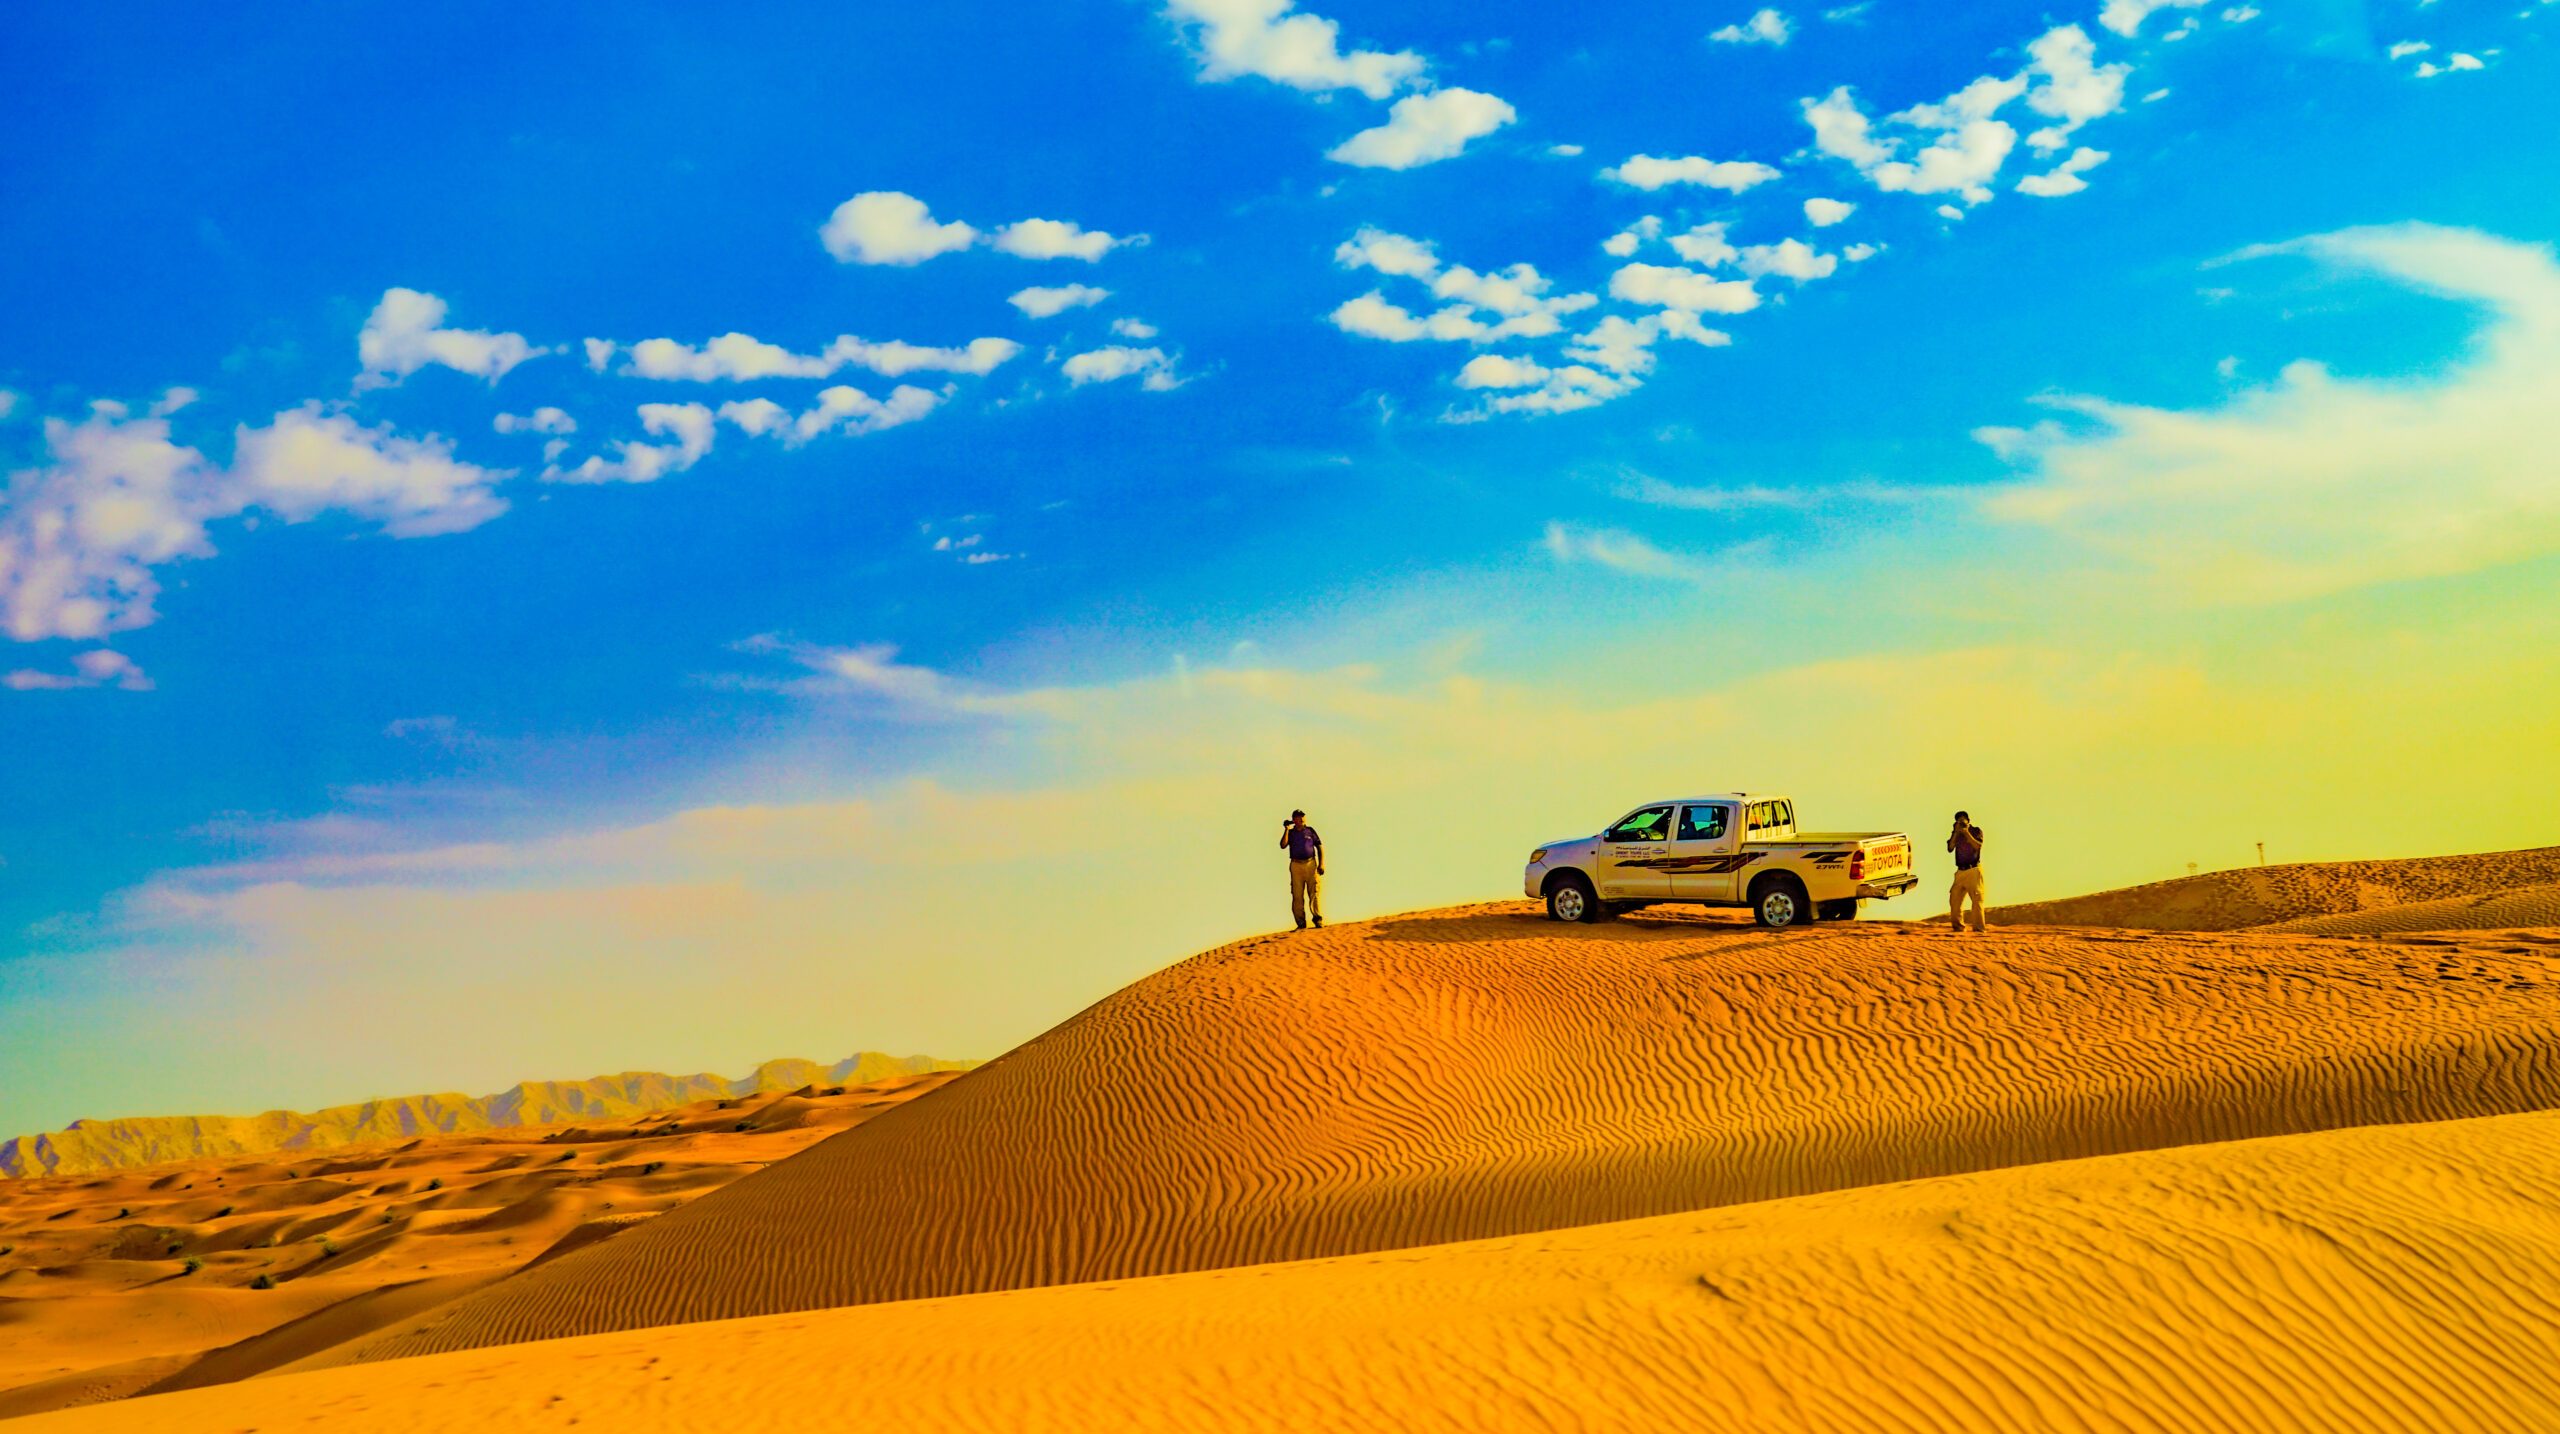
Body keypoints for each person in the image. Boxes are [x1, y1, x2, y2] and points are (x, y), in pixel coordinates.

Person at [1280, 810, 1324, 930]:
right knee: (1297, 895)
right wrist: (1287, 829)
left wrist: (1321, 864)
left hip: (1311, 863)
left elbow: (1319, 846)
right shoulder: (1292, 833)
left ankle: (1318, 919)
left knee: (1314, 892)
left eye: (1303, 818)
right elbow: (1283, 845)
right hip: (1296, 865)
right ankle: (1300, 923)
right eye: (1299, 818)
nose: (1302, 820)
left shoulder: (1310, 831)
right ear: (1294, 820)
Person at [1947, 810, 1987, 933]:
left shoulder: (1976, 831)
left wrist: (1966, 832)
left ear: (1969, 821)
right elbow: (1950, 848)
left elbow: (1978, 846)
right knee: (1954, 900)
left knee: (1976, 901)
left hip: (1974, 870)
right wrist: (1955, 832)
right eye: (1958, 821)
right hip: (1960, 872)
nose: (1961, 823)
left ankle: (1979, 930)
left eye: (1963, 820)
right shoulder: (1956, 833)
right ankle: (1958, 928)